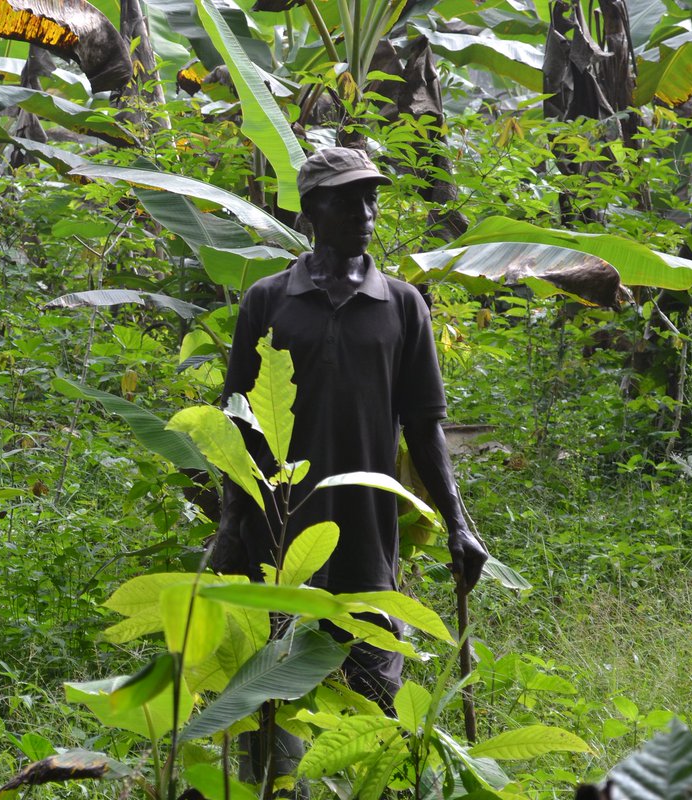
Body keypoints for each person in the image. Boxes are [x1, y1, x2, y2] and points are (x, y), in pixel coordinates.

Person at [212, 145, 488, 720]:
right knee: (273, 688)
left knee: (375, 684)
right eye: (350, 199)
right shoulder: (268, 300)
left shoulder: (403, 306)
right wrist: (231, 523)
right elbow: (237, 421)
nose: (367, 212)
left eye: (372, 198)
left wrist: (458, 525)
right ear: (313, 211)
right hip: (278, 529)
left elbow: (424, 427)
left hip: (366, 531)